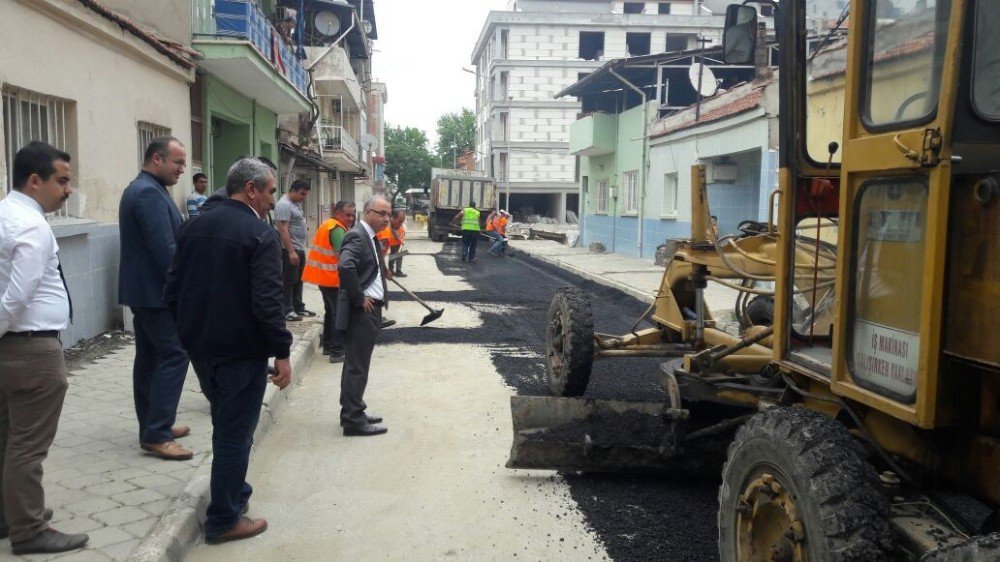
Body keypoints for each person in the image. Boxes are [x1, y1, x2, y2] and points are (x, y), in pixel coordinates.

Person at [164, 157, 293, 545]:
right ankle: (223, 519)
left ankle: (234, 493)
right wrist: (282, 352)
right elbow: (268, 303)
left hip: (202, 349)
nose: (273, 200)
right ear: (250, 189)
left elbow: (172, 289)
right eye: (270, 191)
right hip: (240, 353)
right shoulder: (259, 235)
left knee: (226, 424)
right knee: (234, 435)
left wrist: (188, 333)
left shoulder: (193, 226)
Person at [0, 142, 89, 555]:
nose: (68, 189)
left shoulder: (6, 214)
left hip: (12, 349)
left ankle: (9, 515)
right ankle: (29, 530)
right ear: (35, 181)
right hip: (32, 349)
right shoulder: (31, 227)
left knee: (7, 438)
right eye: (62, 180)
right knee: (28, 445)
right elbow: (18, 297)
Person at [118, 137, 192, 461]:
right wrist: (186, 290)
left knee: (149, 359)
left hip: (147, 292)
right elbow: (166, 251)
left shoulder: (147, 188)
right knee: (175, 354)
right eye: (177, 162)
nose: (182, 169)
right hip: (155, 293)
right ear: (156, 159)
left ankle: (153, 425)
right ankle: (158, 432)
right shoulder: (147, 193)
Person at [335, 196, 392, 436]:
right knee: (358, 366)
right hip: (362, 312)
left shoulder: (368, 235)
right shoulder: (357, 235)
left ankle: (351, 410)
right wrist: (359, 297)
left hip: (369, 310)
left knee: (354, 364)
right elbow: (345, 266)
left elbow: (364, 264)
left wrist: (381, 269)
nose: (386, 219)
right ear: (368, 212)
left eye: (388, 214)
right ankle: (353, 420)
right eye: (382, 214)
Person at [302, 200, 355, 363]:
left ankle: (328, 345)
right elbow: (344, 259)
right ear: (337, 212)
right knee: (340, 313)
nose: (351, 218)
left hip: (323, 277)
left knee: (331, 312)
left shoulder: (328, 224)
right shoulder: (337, 229)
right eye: (347, 215)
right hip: (332, 278)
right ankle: (337, 351)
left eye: (353, 215)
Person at [275, 180, 314, 321]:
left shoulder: (295, 204)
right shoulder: (284, 205)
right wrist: (291, 251)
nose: (304, 197)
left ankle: (298, 307)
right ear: (293, 190)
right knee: (289, 280)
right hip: (289, 249)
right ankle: (287, 310)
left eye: (306, 194)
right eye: (302, 194)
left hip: (299, 247)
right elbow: (283, 230)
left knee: (299, 279)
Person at [385, 209, 407, 277]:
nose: (400, 224)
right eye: (400, 221)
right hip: (392, 242)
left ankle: (397, 271)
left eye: (402, 222)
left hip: (398, 242)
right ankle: (391, 270)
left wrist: (401, 240)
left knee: (399, 255)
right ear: (393, 218)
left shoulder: (400, 226)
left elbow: (401, 233)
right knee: (393, 256)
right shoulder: (386, 225)